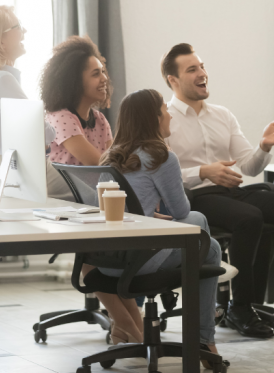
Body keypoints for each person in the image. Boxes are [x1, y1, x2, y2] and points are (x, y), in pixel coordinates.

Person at [162, 43, 274, 339]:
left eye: (203, 66)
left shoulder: (221, 115)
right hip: (197, 198)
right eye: (192, 69)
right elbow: (162, 174)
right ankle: (241, 306)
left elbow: (248, 167)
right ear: (173, 80)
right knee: (250, 218)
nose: (202, 73)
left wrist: (264, 146)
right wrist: (203, 171)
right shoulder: (165, 118)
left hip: (233, 191)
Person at [99, 89, 228, 367]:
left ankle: (204, 339)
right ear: (154, 118)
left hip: (107, 262)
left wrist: (152, 218)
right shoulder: (160, 156)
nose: (169, 113)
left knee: (210, 246)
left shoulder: (110, 157)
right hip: (140, 260)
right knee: (199, 225)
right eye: (164, 109)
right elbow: (181, 212)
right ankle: (204, 339)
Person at [0, 5, 71, 200]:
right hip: (31, 177)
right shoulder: (2, 80)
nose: (24, 31)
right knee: (94, 198)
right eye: (18, 26)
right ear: (1, 41)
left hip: (10, 182)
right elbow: (44, 133)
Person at [41, 35, 113, 167]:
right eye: (96, 74)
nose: (104, 78)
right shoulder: (60, 118)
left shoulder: (100, 119)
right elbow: (97, 163)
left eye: (103, 72)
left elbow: (114, 161)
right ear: (75, 81)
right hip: (66, 188)